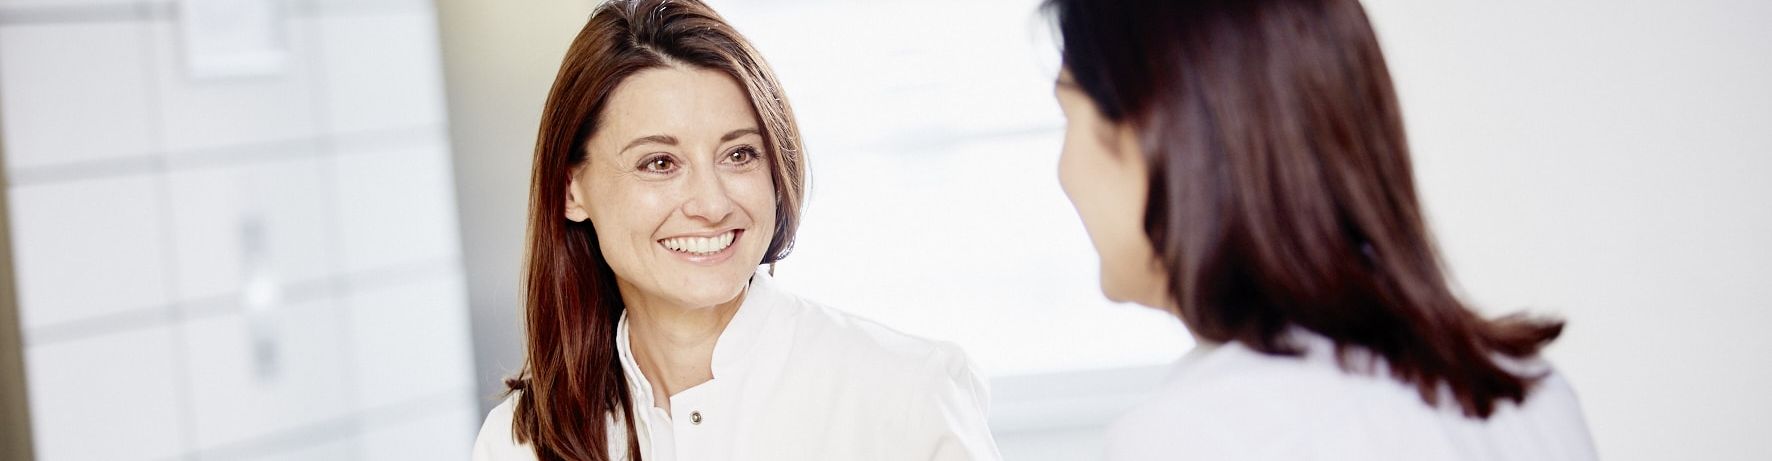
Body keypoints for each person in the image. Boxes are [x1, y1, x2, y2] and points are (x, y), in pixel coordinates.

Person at [1042, 0, 1599, 459]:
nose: (1064, 173)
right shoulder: (1530, 391)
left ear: (1160, 136)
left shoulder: (1192, 436)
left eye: (1071, 117)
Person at [471, 1, 1000, 459]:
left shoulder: (908, 395)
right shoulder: (519, 443)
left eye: (739, 154)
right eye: (659, 162)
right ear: (571, 190)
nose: (711, 204)